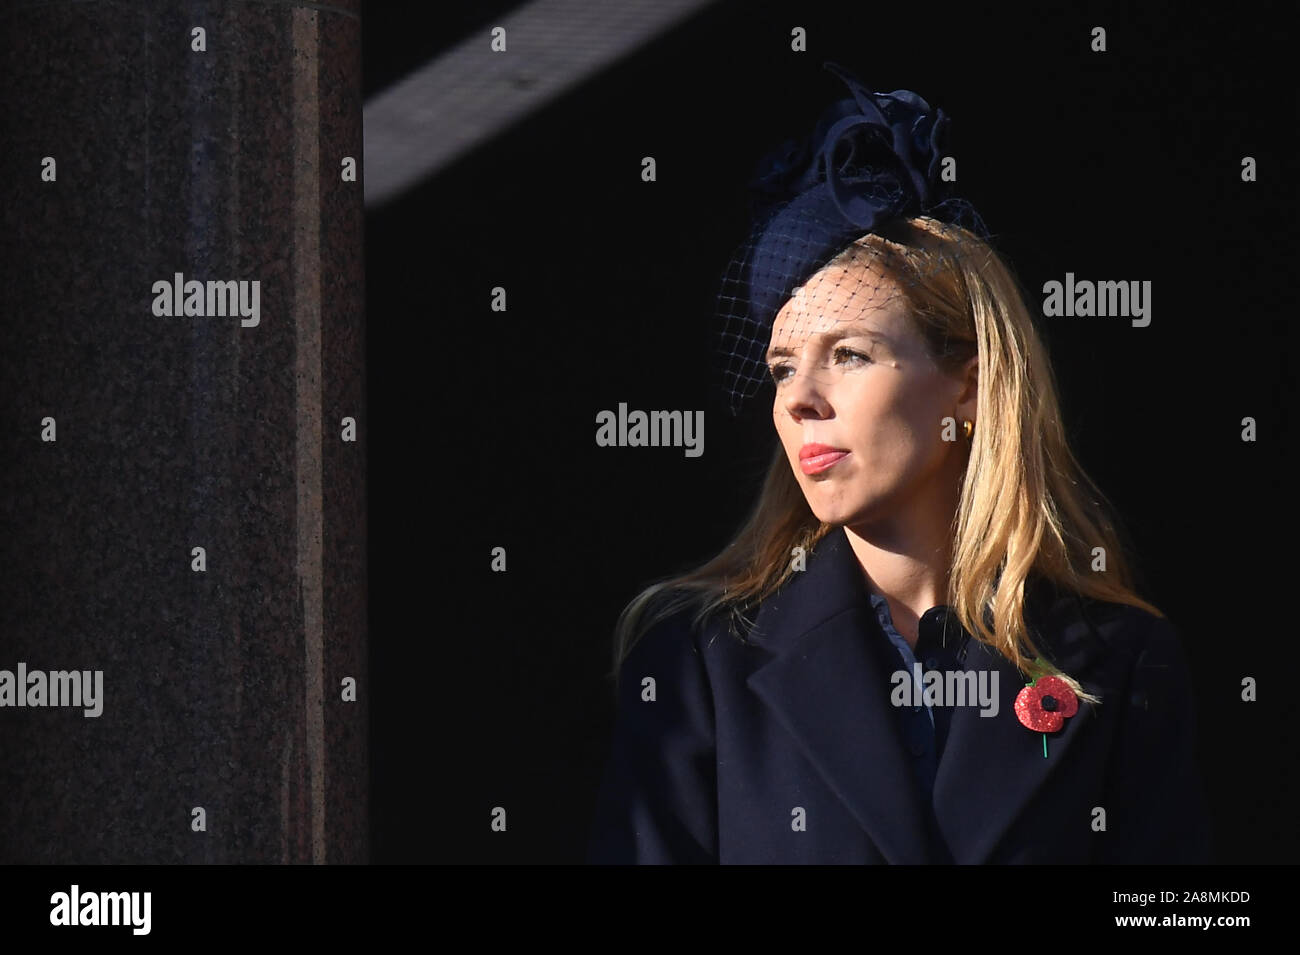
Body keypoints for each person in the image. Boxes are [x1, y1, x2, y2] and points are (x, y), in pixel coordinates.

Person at [586, 62, 1213, 865]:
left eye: (848, 353)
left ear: (970, 384)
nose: (799, 399)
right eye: (781, 367)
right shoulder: (698, 665)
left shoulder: (1123, 659)